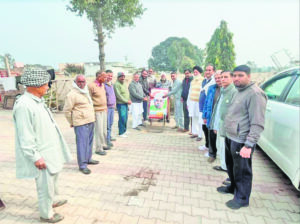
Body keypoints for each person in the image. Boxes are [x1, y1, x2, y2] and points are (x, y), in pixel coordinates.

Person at [14, 68, 72, 223]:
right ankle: (46, 214)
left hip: (50, 149)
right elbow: (25, 136)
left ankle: (51, 202)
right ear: (36, 85)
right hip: (41, 154)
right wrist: (35, 157)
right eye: (46, 84)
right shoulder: (24, 105)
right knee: (44, 185)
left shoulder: (37, 101)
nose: (48, 87)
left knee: (53, 179)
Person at [217, 65, 267, 210]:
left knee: (242, 171)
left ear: (249, 76)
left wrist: (249, 144)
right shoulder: (238, 91)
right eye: (235, 75)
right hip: (231, 136)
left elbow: (257, 122)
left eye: (240, 75)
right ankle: (233, 188)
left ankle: (242, 198)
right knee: (231, 166)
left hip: (242, 141)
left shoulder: (255, 94)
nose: (236, 78)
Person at [64, 75, 99, 175]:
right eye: (79, 82)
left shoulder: (86, 91)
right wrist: (72, 122)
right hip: (80, 122)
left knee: (89, 142)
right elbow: (67, 111)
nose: (82, 83)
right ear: (75, 82)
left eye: (83, 81)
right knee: (82, 144)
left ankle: (88, 158)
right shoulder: (72, 94)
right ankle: (82, 165)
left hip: (90, 120)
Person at [211, 71, 237, 174]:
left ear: (232, 78)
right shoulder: (223, 90)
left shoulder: (233, 92)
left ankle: (227, 168)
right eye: (221, 77)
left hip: (227, 127)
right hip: (219, 124)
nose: (222, 79)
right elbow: (218, 111)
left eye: (226, 77)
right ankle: (224, 165)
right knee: (220, 147)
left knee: (225, 149)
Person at [88, 71, 111, 156]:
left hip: (104, 110)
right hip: (96, 111)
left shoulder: (103, 86)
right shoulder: (91, 86)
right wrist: (91, 112)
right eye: (104, 77)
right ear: (99, 77)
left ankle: (103, 144)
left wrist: (106, 108)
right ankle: (98, 148)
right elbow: (89, 100)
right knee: (99, 131)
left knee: (104, 129)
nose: (106, 79)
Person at [202, 71, 222, 162]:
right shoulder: (211, 88)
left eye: (220, 77)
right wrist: (205, 116)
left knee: (221, 138)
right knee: (211, 136)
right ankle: (212, 154)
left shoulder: (227, 89)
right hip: (211, 116)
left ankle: (222, 156)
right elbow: (206, 102)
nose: (218, 80)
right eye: (216, 78)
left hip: (221, 117)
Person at [198, 64, 216, 151]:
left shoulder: (214, 81)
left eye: (210, 70)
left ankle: (211, 148)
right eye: (206, 70)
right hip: (202, 108)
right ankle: (207, 144)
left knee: (209, 129)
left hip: (209, 109)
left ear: (213, 71)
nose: (208, 72)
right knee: (204, 128)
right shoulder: (204, 81)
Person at [187, 66, 204, 141]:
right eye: (194, 72)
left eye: (196, 72)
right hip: (192, 102)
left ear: (200, 72)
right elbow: (189, 92)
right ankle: (194, 133)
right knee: (193, 118)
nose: (195, 73)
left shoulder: (203, 80)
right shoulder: (192, 81)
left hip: (199, 102)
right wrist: (188, 103)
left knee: (200, 119)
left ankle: (200, 135)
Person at [114, 72, 131, 137]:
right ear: (118, 77)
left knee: (125, 117)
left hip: (126, 103)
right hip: (121, 104)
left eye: (123, 76)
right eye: (121, 77)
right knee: (122, 118)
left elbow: (126, 92)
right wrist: (126, 101)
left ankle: (124, 130)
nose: (122, 78)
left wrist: (128, 100)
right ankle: (121, 133)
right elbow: (118, 95)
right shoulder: (116, 84)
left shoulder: (124, 84)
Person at [105, 70, 117, 147]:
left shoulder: (111, 84)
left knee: (111, 123)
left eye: (111, 76)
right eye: (108, 75)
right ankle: (107, 140)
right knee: (107, 125)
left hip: (112, 107)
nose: (110, 77)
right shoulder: (104, 85)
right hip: (107, 108)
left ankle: (109, 136)